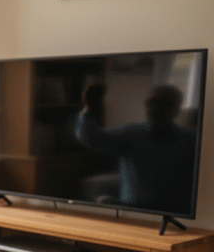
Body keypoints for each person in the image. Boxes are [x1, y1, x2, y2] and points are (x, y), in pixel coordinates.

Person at [75, 83, 196, 215]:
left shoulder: (191, 140)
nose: (155, 108)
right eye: (152, 102)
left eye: (163, 104)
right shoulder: (132, 133)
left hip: (173, 215)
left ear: (177, 109)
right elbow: (93, 139)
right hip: (132, 212)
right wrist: (89, 107)